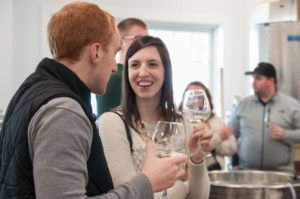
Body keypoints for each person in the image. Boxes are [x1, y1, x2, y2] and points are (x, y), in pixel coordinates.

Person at [0, 2, 187, 198]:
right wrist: (147, 182)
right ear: (96, 52)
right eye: (114, 54)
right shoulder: (63, 111)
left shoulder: (32, 90)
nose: (115, 68)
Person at [98, 36, 212, 199]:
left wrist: (197, 158)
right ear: (127, 73)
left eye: (152, 64)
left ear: (166, 72)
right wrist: (181, 187)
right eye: (135, 65)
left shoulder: (181, 122)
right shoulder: (112, 122)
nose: (143, 73)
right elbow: (128, 195)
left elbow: (200, 197)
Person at [230, 62, 300, 173]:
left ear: (271, 81)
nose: (253, 83)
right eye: (253, 79)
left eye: (258, 79)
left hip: (281, 173)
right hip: (247, 172)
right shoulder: (241, 105)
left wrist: (285, 134)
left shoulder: (292, 105)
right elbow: (232, 136)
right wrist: (234, 163)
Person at [96, 18, 148, 118]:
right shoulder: (117, 78)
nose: (144, 44)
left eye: (147, 40)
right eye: (137, 39)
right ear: (120, 42)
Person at [179, 81, 237, 170]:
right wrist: (218, 136)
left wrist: (210, 143)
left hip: (217, 173)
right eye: (191, 97)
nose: (195, 100)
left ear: (206, 99)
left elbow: (233, 147)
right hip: (194, 172)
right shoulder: (181, 120)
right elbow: (190, 148)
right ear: (185, 99)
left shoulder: (216, 119)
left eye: (199, 97)